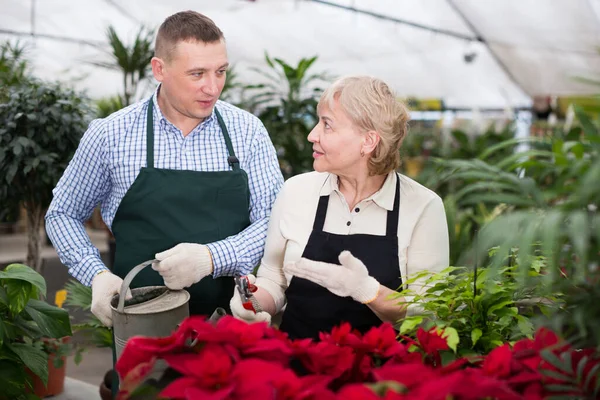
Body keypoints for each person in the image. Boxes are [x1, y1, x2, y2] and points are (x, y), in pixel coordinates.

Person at [45, 10, 283, 326]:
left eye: (220, 71)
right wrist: (97, 274)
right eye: (197, 74)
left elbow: (275, 222)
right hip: (141, 326)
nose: (213, 88)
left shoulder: (247, 131)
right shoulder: (111, 135)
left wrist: (212, 258)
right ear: (160, 69)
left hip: (229, 323)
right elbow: (63, 213)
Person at [230, 75, 449, 339]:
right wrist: (253, 302)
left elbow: (428, 314)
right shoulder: (296, 191)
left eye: (327, 125)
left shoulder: (423, 207)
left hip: (382, 373)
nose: (312, 135)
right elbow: (274, 279)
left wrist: (369, 291)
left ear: (368, 141)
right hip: (299, 367)